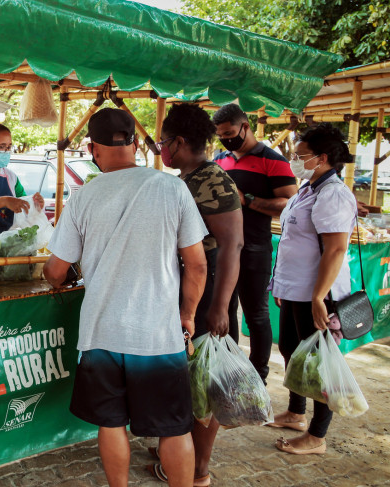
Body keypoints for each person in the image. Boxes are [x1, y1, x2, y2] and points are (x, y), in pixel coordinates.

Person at [43, 108, 208, 487]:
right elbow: (197, 266)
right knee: (173, 428)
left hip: (102, 332)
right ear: (135, 143)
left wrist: (56, 280)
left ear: (92, 149)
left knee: (111, 423)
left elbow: (55, 271)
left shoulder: (83, 198)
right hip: (157, 333)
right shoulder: (172, 188)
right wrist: (187, 316)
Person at [147, 104, 244, 486]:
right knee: (186, 375)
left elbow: (232, 245)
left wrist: (220, 307)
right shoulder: (186, 178)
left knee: (206, 381)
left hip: (209, 291)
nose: (161, 149)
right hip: (188, 286)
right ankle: (176, 448)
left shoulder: (213, 180)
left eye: (163, 142)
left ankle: (199, 467)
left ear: (180, 142)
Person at [268, 123, 357, 455]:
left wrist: (320, 297)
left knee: (318, 365)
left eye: (299, 155)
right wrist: (281, 284)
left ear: (321, 158)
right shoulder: (308, 189)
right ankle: (295, 413)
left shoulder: (332, 194)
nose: (294, 160)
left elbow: (335, 250)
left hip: (317, 294)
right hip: (296, 290)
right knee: (293, 352)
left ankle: (317, 436)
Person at [213, 103, 297, 383]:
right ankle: (231, 370)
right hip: (223, 248)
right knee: (224, 310)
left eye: (229, 132)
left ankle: (258, 377)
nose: (226, 139)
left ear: (245, 127)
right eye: (221, 135)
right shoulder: (220, 160)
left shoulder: (272, 160)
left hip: (255, 248)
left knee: (256, 314)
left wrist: (247, 199)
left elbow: (289, 204)